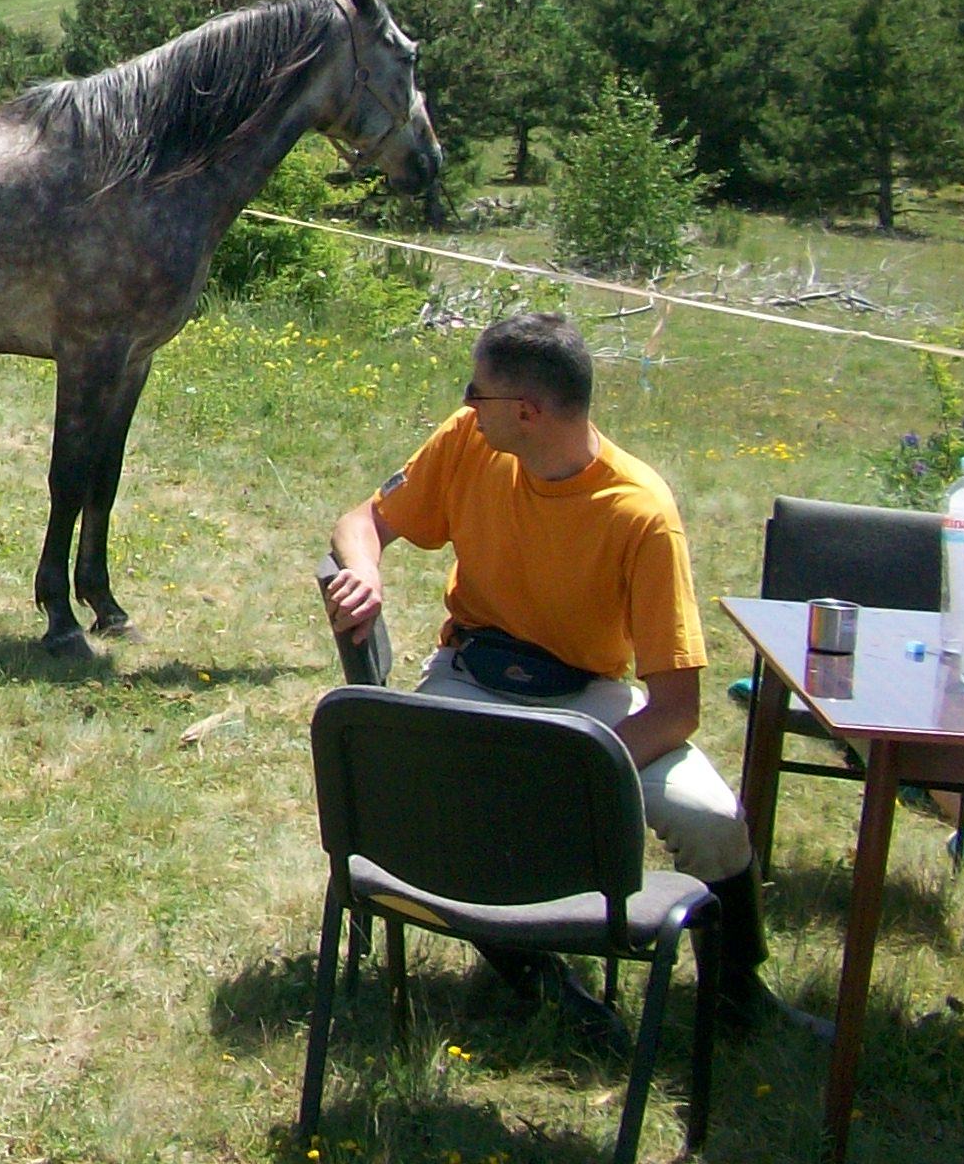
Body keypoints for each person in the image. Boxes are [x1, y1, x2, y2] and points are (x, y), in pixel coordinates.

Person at [322, 311, 822, 1036]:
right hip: (472, 674)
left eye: (478, 391)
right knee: (443, 810)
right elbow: (362, 521)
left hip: (587, 699)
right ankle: (544, 984)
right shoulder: (468, 440)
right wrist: (365, 571)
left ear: (526, 412)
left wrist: (568, 775)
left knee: (711, 820)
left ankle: (739, 988)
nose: (466, 403)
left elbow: (676, 710)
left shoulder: (641, 513)